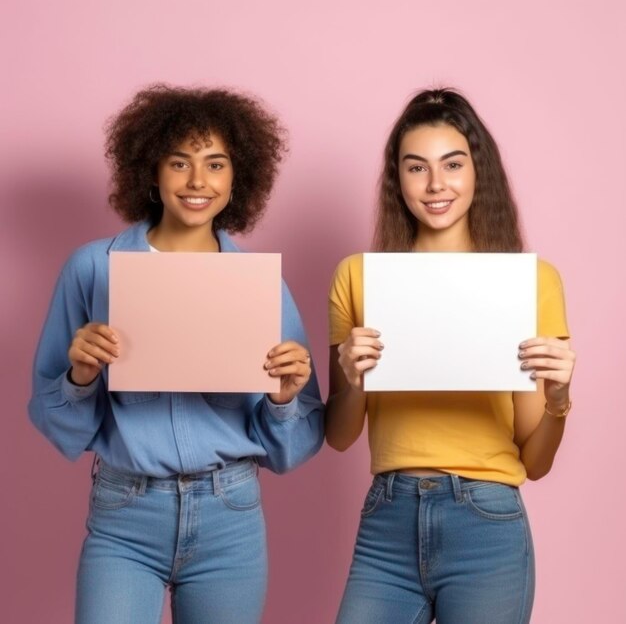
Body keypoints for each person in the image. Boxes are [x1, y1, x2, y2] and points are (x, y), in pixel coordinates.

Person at [28, 84, 324, 624]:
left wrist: (283, 401)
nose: (197, 182)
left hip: (230, 517)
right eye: (179, 163)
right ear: (152, 171)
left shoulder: (261, 285)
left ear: (238, 177)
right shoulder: (93, 269)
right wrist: (80, 375)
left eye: (215, 164)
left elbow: (294, 448)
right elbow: (54, 421)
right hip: (125, 515)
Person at [326, 88, 575, 624]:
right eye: (417, 168)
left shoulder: (530, 281)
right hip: (387, 518)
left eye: (453, 164)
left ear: (477, 171)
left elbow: (535, 461)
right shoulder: (359, 276)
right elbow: (340, 435)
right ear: (398, 179)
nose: (436, 185)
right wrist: (350, 379)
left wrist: (558, 398)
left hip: (486, 520)